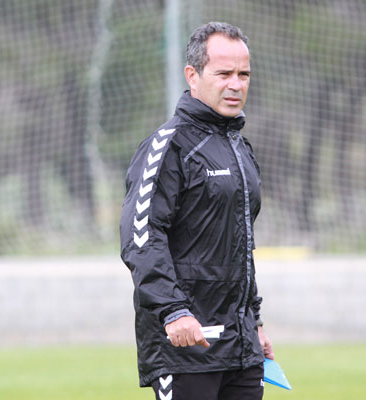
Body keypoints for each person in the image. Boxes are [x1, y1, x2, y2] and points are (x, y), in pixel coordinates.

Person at [120, 21, 273, 400]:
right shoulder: (167, 146)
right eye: (224, 73)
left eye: (243, 74)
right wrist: (173, 311)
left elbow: (239, 248)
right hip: (187, 346)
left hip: (240, 348)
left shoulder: (240, 148)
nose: (236, 84)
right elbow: (142, 238)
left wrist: (254, 321)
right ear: (193, 75)